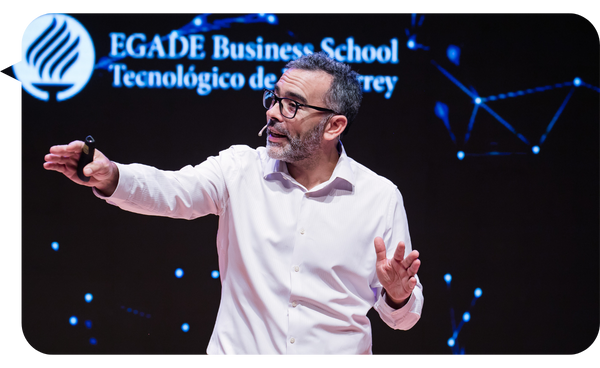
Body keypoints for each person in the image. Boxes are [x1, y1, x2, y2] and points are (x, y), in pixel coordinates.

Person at [43, 51, 423, 357]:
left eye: (293, 105)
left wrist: (397, 293)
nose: (274, 112)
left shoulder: (378, 197)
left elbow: (403, 319)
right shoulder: (240, 169)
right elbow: (173, 190)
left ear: (333, 126)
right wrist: (113, 176)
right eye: (274, 99)